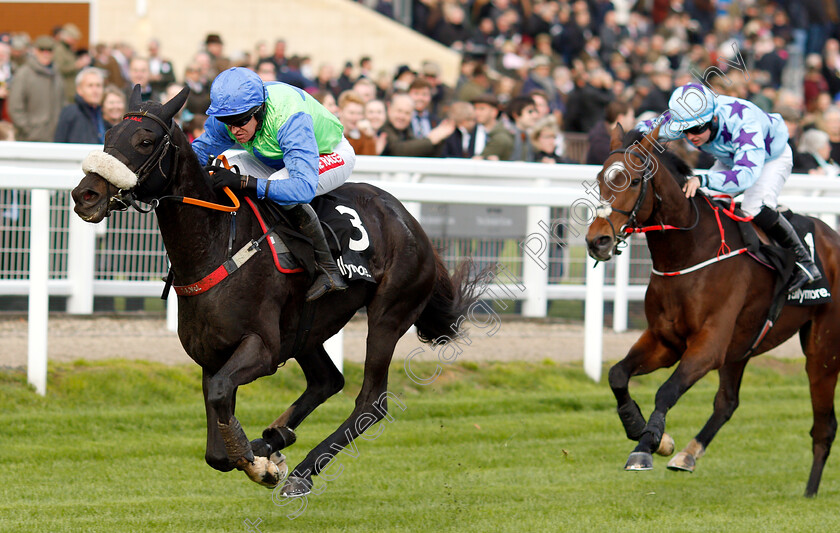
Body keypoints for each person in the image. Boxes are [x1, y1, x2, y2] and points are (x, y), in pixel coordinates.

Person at [638, 83, 821, 292]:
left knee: (754, 207)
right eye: (684, 130)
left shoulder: (744, 123)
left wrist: (704, 179)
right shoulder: (689, 117)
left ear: (714, 118)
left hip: (771, 157)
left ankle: (805, 263)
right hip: (732, 157)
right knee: (703, 202)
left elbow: (746, 176)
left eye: (696, 129)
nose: (690, 137)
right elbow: (642, 130)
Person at [191, 67, 354, 301]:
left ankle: (327, 269)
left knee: (278, 185)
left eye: (240, 121)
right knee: (224, 165)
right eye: (227, 122)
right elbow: (198, 153)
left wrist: (245, 183)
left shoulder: (288, 118)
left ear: (260, 110)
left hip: (327, 152)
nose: (234, 129)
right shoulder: (228, 117)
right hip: (276, 156)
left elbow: (302, 188)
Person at [6, 35, 65, 142]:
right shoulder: (24, 73)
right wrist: (28, 129)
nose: (46, 53)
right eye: (42, 49)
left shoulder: (57, 75)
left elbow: (63, 102)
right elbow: (15, 107)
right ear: (35, 51)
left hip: (54, 136)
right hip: (30, 138)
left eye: (49, 50)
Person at [380, 92, 454, 157]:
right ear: (389, 109)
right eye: (399, 111)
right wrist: (431, 140)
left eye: (407, 113)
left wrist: (440, 138)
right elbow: (398, 150)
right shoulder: (383, 128)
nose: (402, 117)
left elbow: (423, 154)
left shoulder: (408, 131)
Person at [54, 66, 105, 143]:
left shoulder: (103, 114)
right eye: (90, 85)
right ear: (79, 89)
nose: (95, 90)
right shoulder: (71, 113)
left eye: (98, 85)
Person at [471, 93, 513, 161]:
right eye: (475, 109)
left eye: (482, 109)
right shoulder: (471, 130)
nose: (477, 112)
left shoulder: (501, 136)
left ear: (494, 112)